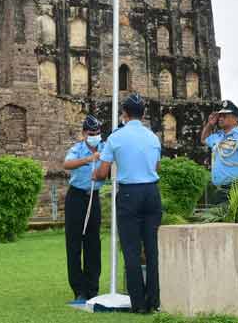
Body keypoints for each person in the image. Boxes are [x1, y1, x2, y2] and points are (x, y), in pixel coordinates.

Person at [94, 94, 161, 314]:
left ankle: (139, 304)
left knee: (131, 250)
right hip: (151, 192)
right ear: (143, 114)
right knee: (152, 249)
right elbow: (156, 167)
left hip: (130, 194)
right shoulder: (153, 137)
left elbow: (103, 172)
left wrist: (96, 174)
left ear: (124, 113)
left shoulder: (116, 137)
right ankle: (154, 300)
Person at [63, 115, 103, 303]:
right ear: (84, 133)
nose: (95, 136)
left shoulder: (104, 149)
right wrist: (88, 159)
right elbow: (67, 164)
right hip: (76, 197)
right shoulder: (77, 149)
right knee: (74, 244)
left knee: (93, 244)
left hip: (93, 197)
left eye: (97, 133)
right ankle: (79, 290)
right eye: (91, 133)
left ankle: (92, 288)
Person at [199, 100, 238, 205]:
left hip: (235, 188)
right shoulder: (218, 136)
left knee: (232, 220)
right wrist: (210, 124)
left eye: (224, 116)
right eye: (220, 116)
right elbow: (204, 139)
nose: (220, 118)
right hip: (218, 189)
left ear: (235, 119)